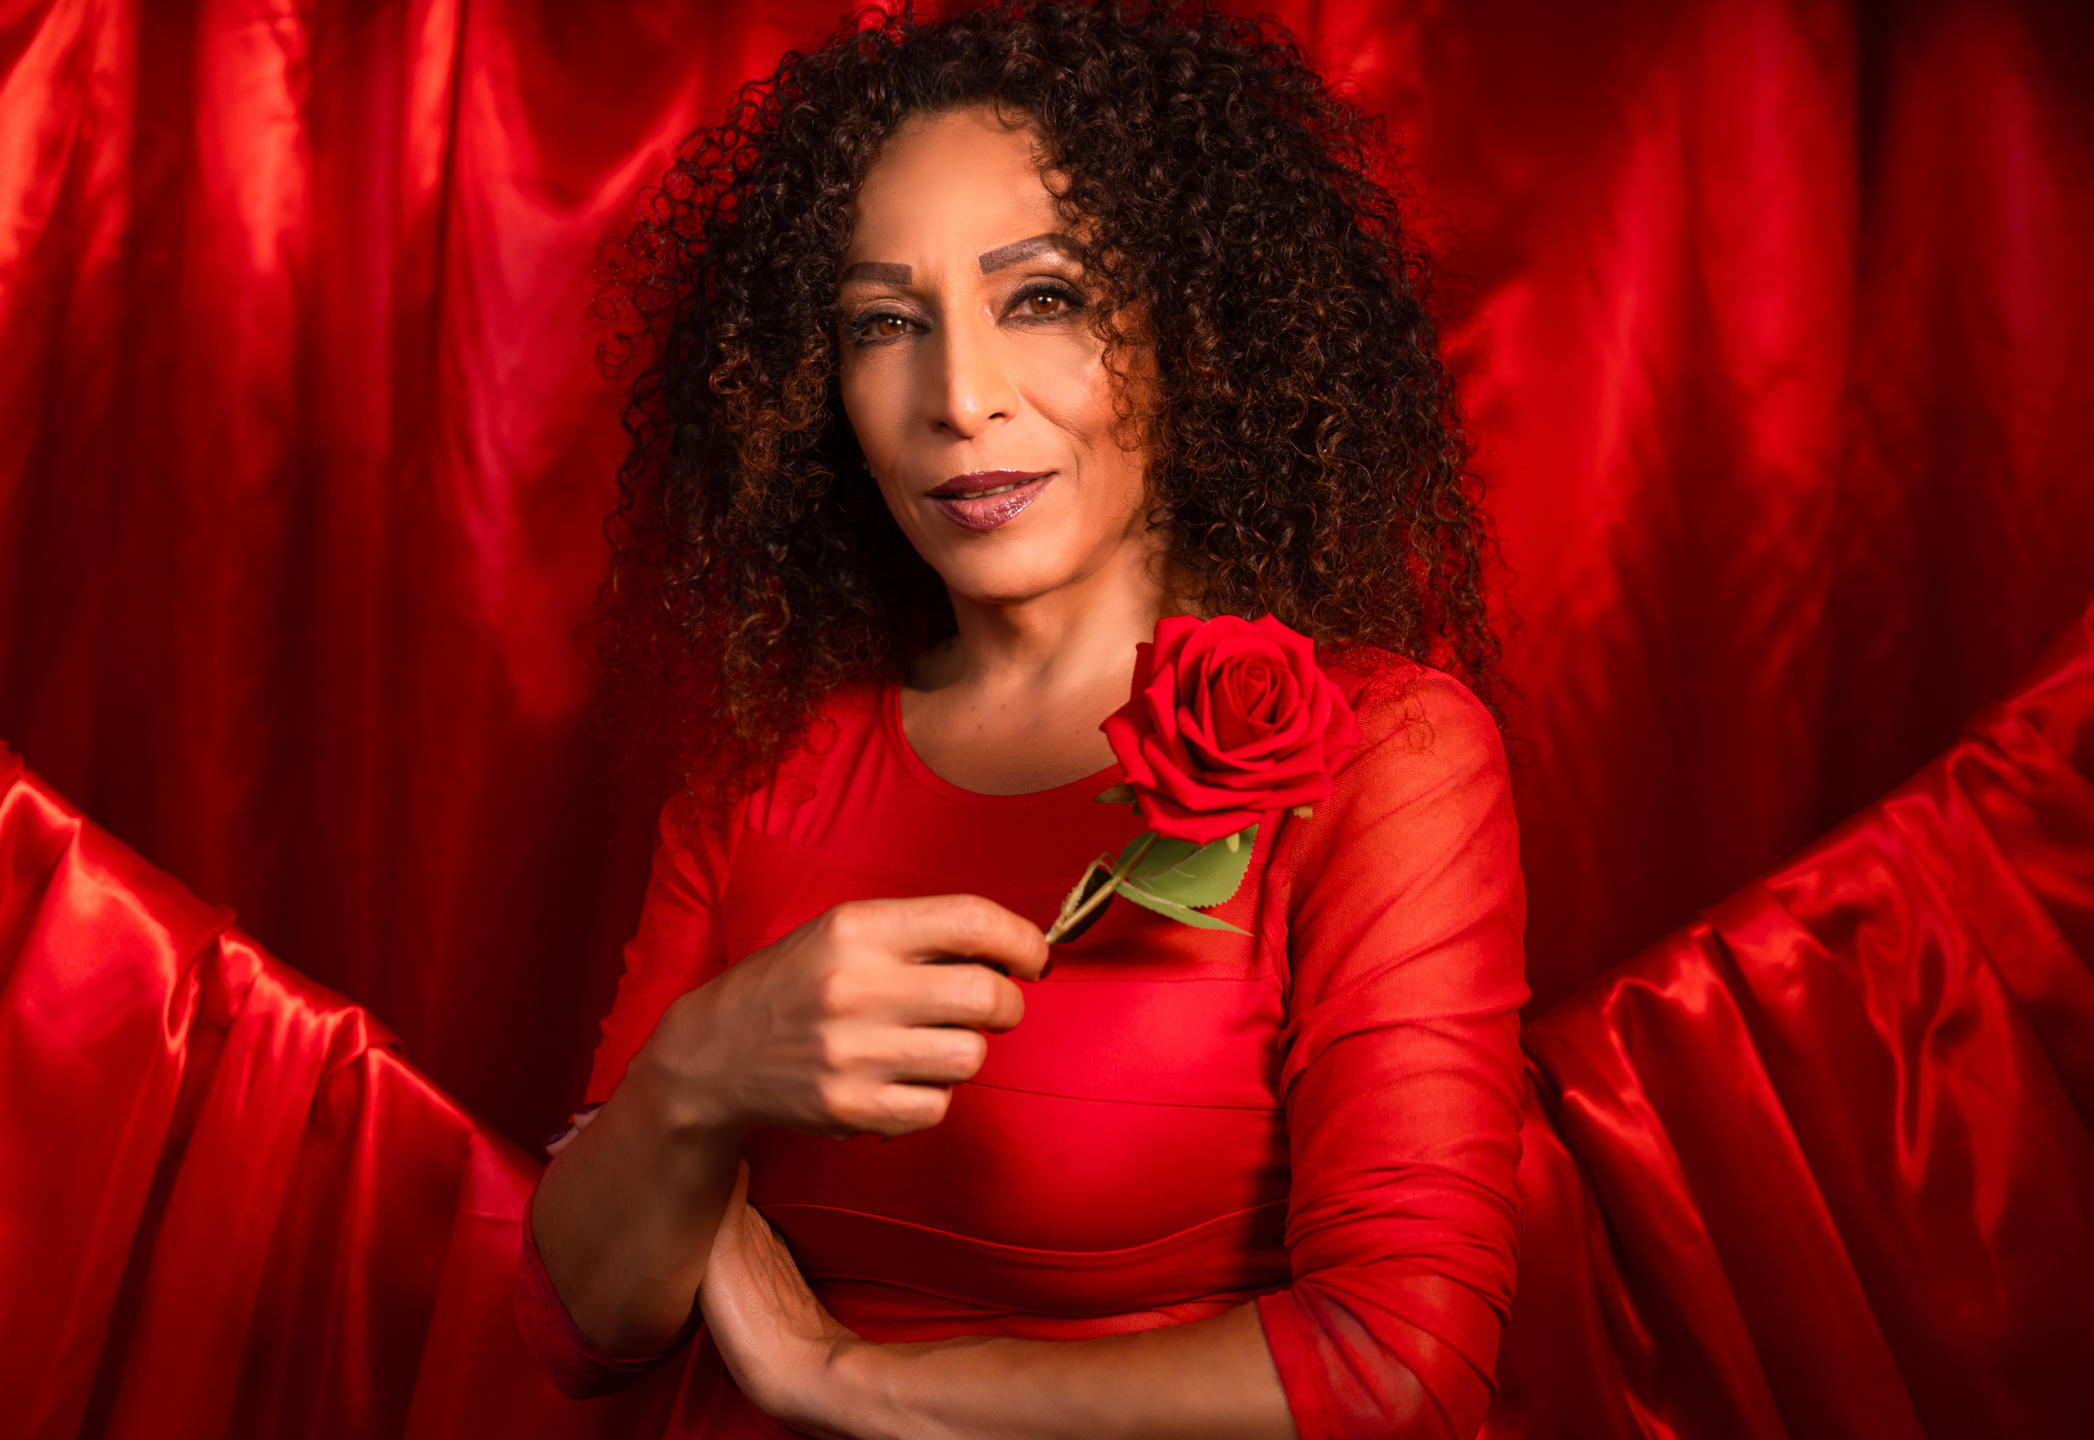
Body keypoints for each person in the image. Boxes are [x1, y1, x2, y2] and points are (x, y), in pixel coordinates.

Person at [519, 3, 1526, 1436]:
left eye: (1043, 298)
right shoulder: (765, 768)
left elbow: (1396, 1370)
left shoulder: (1389, 755)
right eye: (885, 323)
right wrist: (694, 1077)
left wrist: (840, 1379)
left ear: (1193, 328)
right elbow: (580, 1335)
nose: (959, 398)